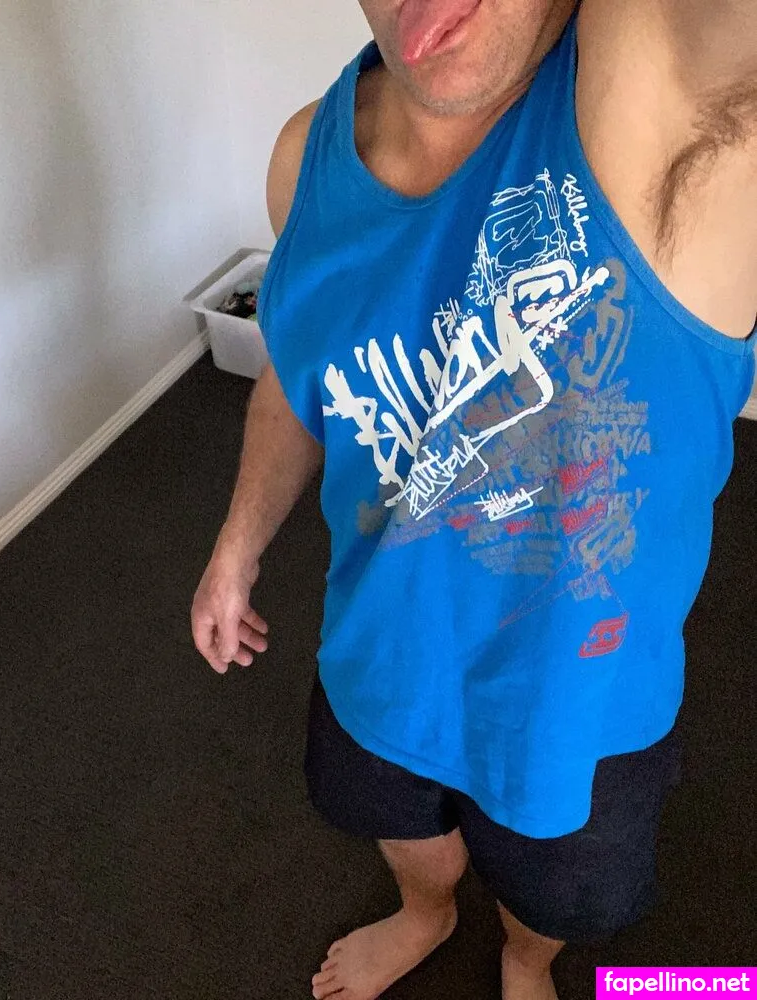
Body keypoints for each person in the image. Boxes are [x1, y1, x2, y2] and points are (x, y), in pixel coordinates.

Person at [191, 1, 757, 997]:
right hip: (377, 661)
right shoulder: (304, 156)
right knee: (395, 826)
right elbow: (299, 368)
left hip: (576, 714)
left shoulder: (665, 116)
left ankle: (521, 959)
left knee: (558, 898)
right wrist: (237, 545)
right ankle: (427, 916)